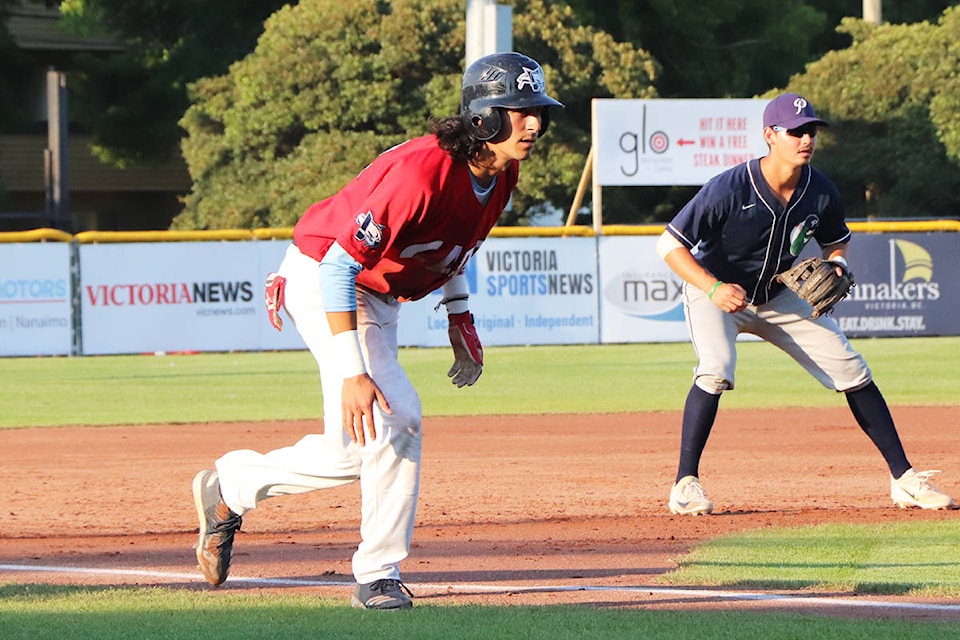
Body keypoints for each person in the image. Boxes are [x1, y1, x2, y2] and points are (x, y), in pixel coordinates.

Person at [191, 52, 563, 609]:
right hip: (326, 279)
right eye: (517, 110)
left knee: (353, 451)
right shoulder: (420, 175)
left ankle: (232, 487)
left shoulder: (500, 172)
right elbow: (340, 265)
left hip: (374, 292)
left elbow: (453, 246)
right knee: (398, 414)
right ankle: (377, 572)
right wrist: (352, 371)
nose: (533, 123)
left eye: (538, 110)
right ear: (483, 118)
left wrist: (459, 314)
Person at [657, 92, 954, 516]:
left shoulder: (821, 191)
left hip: (777, 295)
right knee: (716, 369)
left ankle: (904, 479)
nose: (806, 138)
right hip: (718, 293)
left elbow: (837, 242)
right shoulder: (729, 187)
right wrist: (711, 288)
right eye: (795, 131)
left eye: (811, 130)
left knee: (852, 368)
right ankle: (685, 485)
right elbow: (669, 245)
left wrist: (837, 266)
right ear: (769, 136)